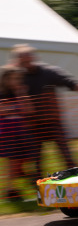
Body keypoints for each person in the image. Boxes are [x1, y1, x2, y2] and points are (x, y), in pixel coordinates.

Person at [10, 44, 78, 177]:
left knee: (67, 155)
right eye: (22, 60)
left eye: (28, 59)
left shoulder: (48, 72)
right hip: (33, 125)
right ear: (19, 61)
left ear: (33, 57)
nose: (26, 63)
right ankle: (39, 186)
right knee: (36, 160)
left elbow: (71, 83)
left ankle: (77, 179)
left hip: (53, 123)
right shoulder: (17, 77)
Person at [0, 65, 36, 199]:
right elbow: (2, 110)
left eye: (19, 78)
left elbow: (29, 110)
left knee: (29, 155)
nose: (18, 81)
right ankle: (10, 189)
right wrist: (15, 108)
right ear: (6, 80)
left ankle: (22, 175)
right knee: (12, 161)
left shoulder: (21, 93)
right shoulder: (2, 94)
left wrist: (22, 95)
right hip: (8, 132)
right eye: (15, 79)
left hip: (21, 130)